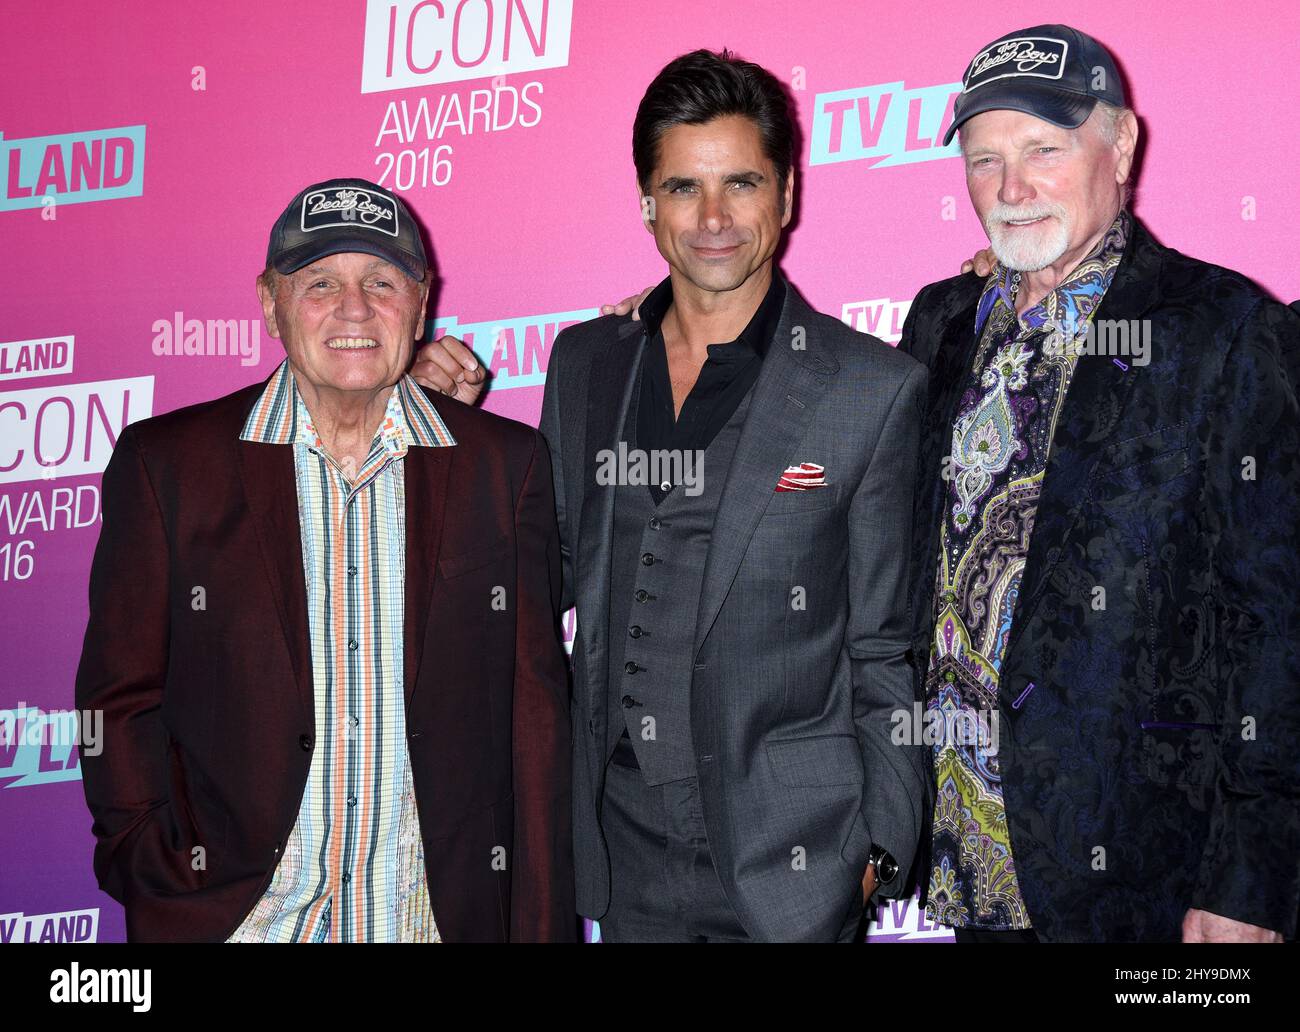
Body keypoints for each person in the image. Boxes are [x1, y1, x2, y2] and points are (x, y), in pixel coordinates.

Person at [415, 49, 928, 942]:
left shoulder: (867, 388)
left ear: (788, 194)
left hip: (796, 859)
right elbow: (541, 577)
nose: (716, 219)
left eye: (742, 183)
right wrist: (442, 443)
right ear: (648, 202)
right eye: (684, 188)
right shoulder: (588, 362)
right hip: (622, 848)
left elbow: (886, 644)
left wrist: (880, 847)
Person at [75, 177, 575, 942]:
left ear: (421, 300)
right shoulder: (168, 466)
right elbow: (117, 701)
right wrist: (145, 861)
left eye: (381, 281)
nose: (353, 308)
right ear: (269, 303)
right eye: (319, 284)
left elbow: (535, 724)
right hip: (241, 923)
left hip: (427, 922)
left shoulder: (504, 468)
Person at [898, 24, 1300, 942]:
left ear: (1120, 145)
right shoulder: (941, 322)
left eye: (1044, 149)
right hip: (968, 861)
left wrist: (1251, 873)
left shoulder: (1224, 328)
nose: (1011, 187)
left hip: (1146, 877)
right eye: (984, 159)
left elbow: (1279, 622)